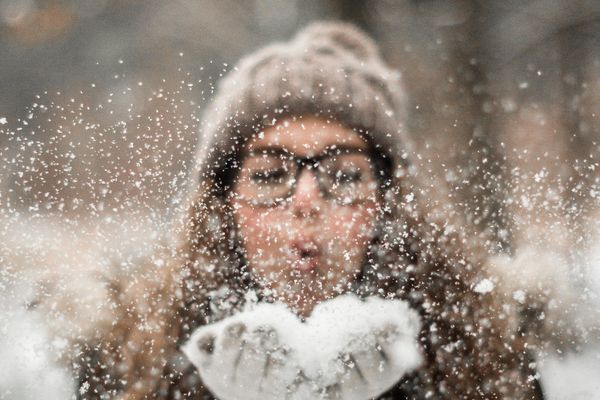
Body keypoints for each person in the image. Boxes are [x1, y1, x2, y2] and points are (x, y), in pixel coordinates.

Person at [76, 22, 544, 399]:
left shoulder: (486, 354)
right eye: (267, 175)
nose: (305, 201)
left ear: (389, 204)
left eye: (343, 175)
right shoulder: (127, 358)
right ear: (222, 205)